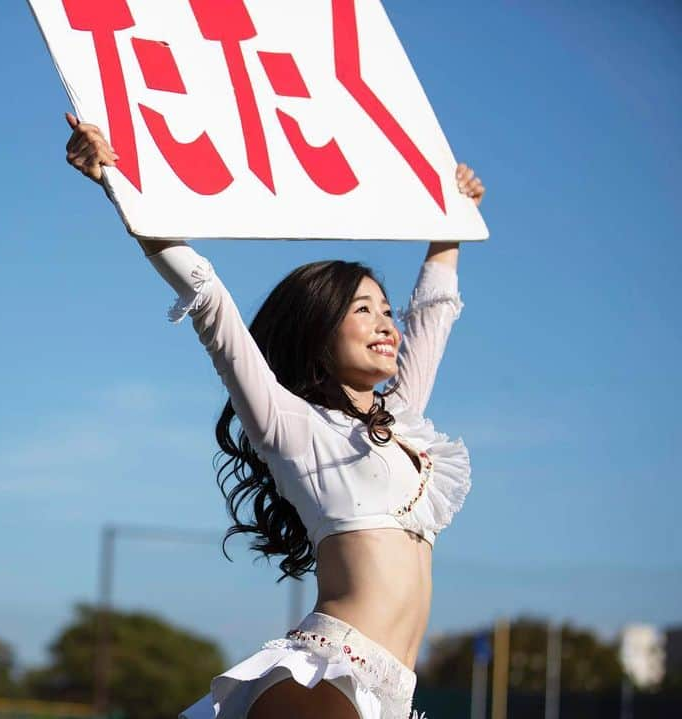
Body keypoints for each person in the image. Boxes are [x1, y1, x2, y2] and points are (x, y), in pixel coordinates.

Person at [64, 112, 485, 719]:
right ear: (319, 331)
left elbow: (434, 316)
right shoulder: (293, 425)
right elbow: (210, 301)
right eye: (363, 310)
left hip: (391, 692)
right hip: (330, 672)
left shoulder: (401, 425)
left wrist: (451, 219)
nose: (387, 323)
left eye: (386, 310)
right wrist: (114, 181)